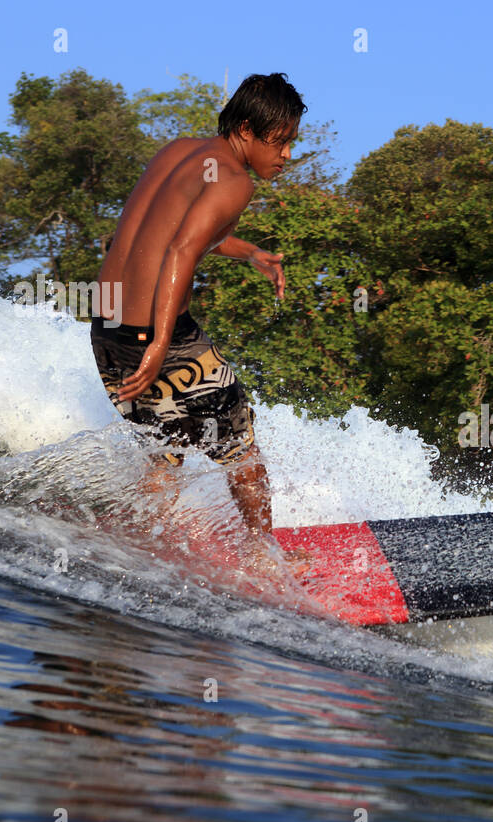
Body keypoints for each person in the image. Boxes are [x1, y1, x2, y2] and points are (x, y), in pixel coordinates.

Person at [92, 72, 306, 544]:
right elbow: (181, 253)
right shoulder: (234, 182)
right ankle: (264, 558)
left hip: (107, 324)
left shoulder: (178, 151)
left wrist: (250, 252)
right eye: (281, 142)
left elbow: (170, 233)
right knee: (241, 449)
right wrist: (161, 343)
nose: (287, 155)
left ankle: (139, 545)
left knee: (167, 446)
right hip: (156, 333)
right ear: (247, 130)